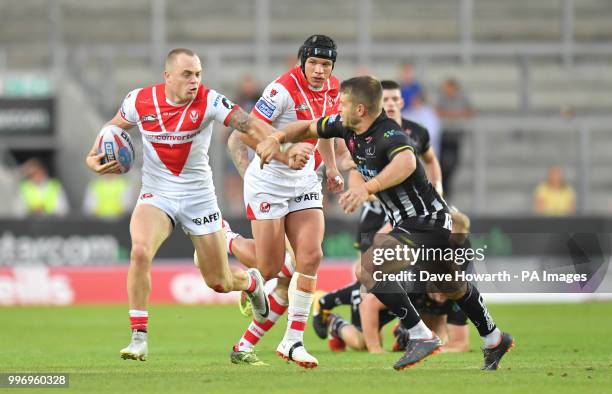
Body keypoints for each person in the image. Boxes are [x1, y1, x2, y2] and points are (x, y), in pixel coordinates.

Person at [257, 75, 514, 371]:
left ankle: (420, 335)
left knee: (369, 268)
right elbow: (309, 127)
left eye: (343, 103)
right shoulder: (346, 124)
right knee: (452, 284)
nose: (337, 108)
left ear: (362, 109)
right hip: (414, 221)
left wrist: (367, 187)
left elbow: (406, 163)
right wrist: (276, 138)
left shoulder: (389, 135)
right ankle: (495, 338)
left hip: (426, 220)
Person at [85, 48, 281, 362]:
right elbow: (112, 129)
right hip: (157, 193)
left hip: (199, 197)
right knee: (139, 251)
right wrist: (92, 157)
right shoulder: (139, 101)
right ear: (168, 76)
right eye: (187, 74)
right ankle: (139, 337)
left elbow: (249, 125)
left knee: (219, 281)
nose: (194, 81)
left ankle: (251, 281)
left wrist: (276, 140)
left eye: (198, 74)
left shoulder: (210, 101)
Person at [227, 34, 344, 368]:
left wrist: (332, 169)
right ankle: (225, 237)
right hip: (268, 182)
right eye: (314, 63)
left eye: (326, 64)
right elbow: (249, 131)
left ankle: (292, 341)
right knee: (269, 267)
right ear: (301, 62)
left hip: (305, 181)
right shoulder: (280, 91)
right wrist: (284, 155)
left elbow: (322, 131)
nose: (320, 71)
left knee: (310, 255)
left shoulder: (333, 89)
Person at [436, 78, 474, 199]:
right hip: (444, 135)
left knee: (454, 163)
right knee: (441, 163)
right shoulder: (442, 99)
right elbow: (438, 113)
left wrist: (450, 115)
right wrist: (456, 115)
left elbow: (468, 112)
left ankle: (446, 187)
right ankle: (443, 187)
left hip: (456, 135)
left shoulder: (461, 99)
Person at [405, 91, 442, 158]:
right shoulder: (407, 113)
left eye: (416, 99)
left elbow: (432, 133)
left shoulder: (429, 113)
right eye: (412, 99)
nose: (414, 101)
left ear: (421, 100)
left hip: (426, 150)